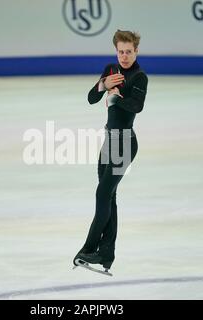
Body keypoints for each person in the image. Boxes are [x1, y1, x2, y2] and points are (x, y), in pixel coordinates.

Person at [73, 30, 149, 273]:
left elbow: (137, 106)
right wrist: (103, 84)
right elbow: (90, 98)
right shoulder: (110, 70)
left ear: (136, 51)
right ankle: (106, 254)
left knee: (102, 194)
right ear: (116, 51)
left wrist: (116, 97)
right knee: (109, 196)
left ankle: (88, 249)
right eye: (120, 51)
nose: (124, 56)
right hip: (109, 141)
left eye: (129, 51)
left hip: (125, 142)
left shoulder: (139, 77)